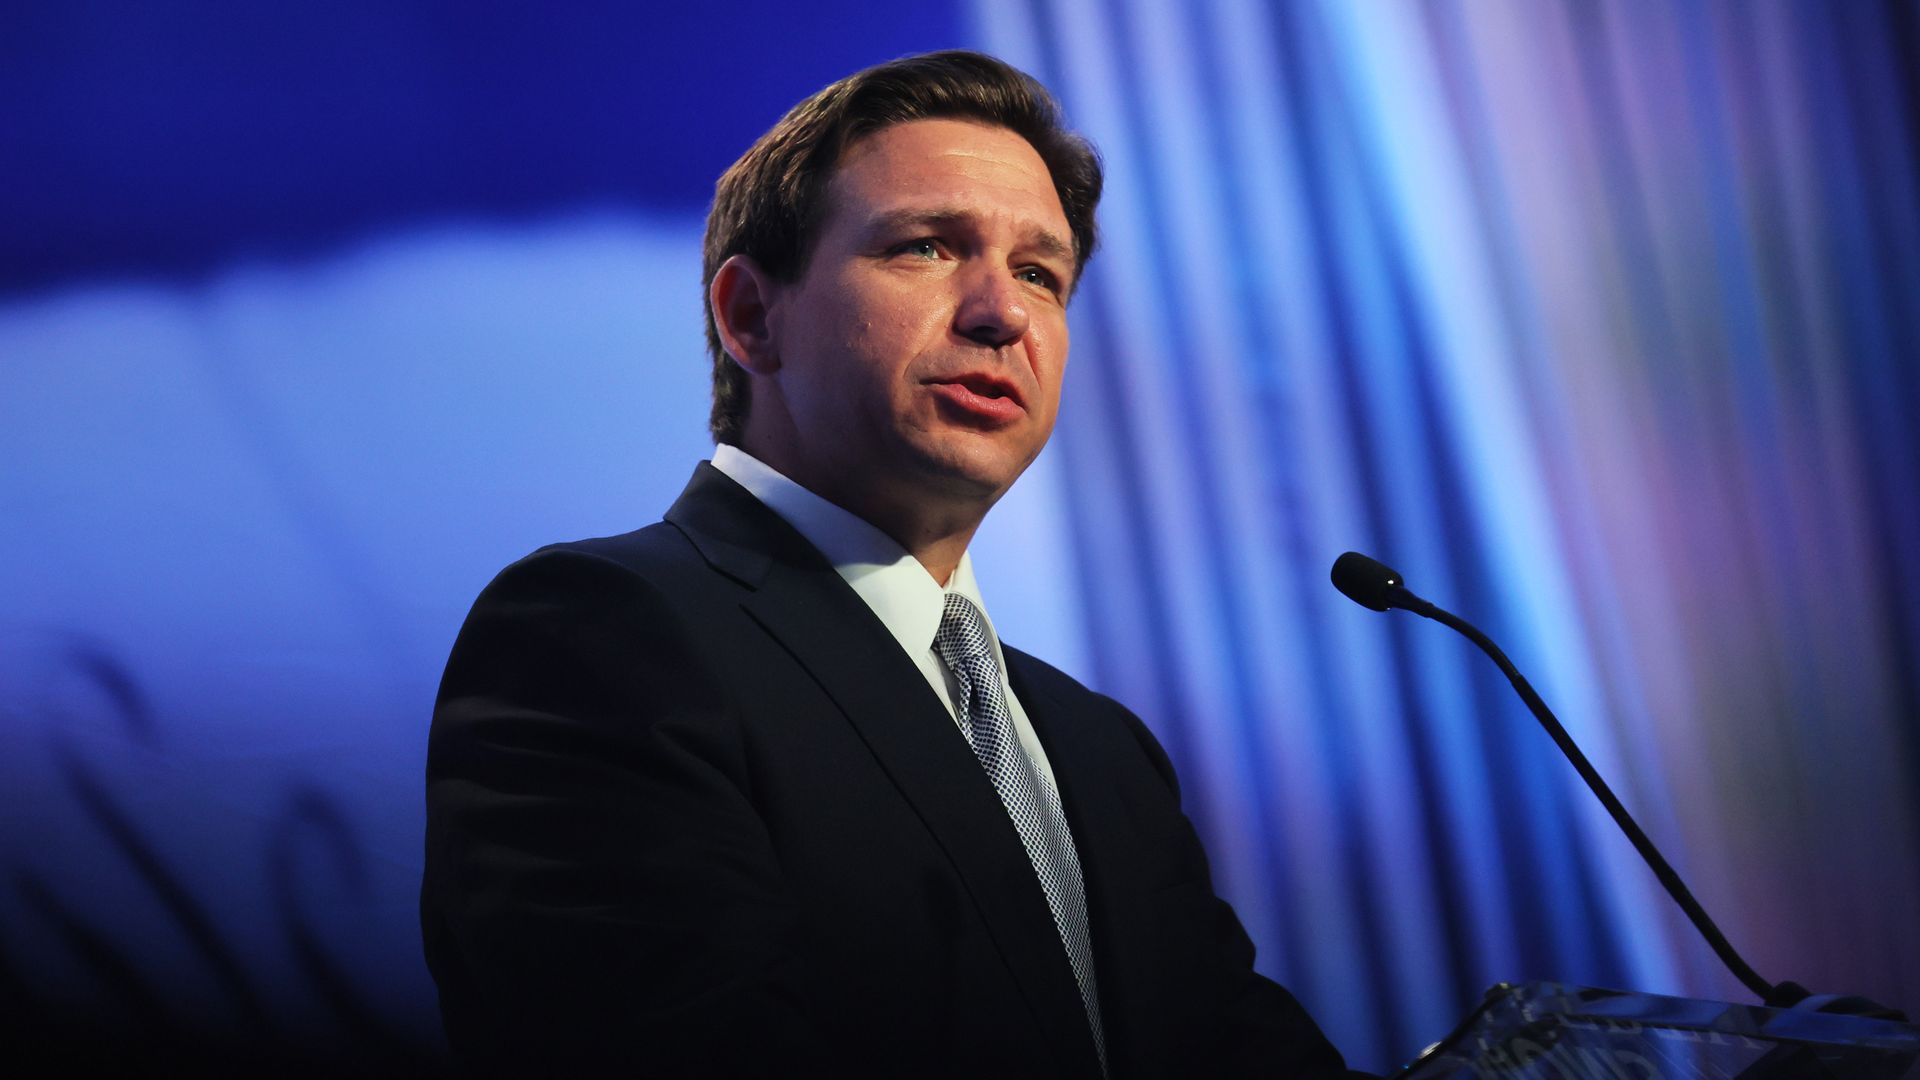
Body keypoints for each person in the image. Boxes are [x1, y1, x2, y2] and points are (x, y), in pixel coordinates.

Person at [422, 50, 1362, 1078]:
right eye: (926, 248)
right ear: (751, 318)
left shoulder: (1101, 753)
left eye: (1042, 274)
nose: (1003, 314)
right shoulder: (599, 635)